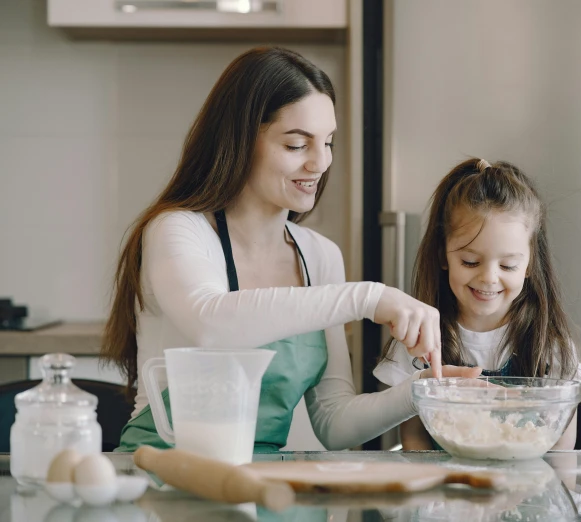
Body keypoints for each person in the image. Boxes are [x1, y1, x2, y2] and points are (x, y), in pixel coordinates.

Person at [100, 47, 473, 454]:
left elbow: (334, 422)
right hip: (163, 479)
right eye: (297, 145)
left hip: (260, 485)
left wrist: (420, 391)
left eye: (328, 142)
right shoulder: (178, 229)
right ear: (240, 141)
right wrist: (369, 296)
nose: (320, 163)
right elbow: (211, 324)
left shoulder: (319, 255)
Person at [374, 158, 581, 450]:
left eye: (509, 265)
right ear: (443, 256)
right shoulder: (417, 341)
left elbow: (562, 450)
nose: (488, 278)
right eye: (470, 261)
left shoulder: (551, 345)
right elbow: (414, 439)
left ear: (529, 265)